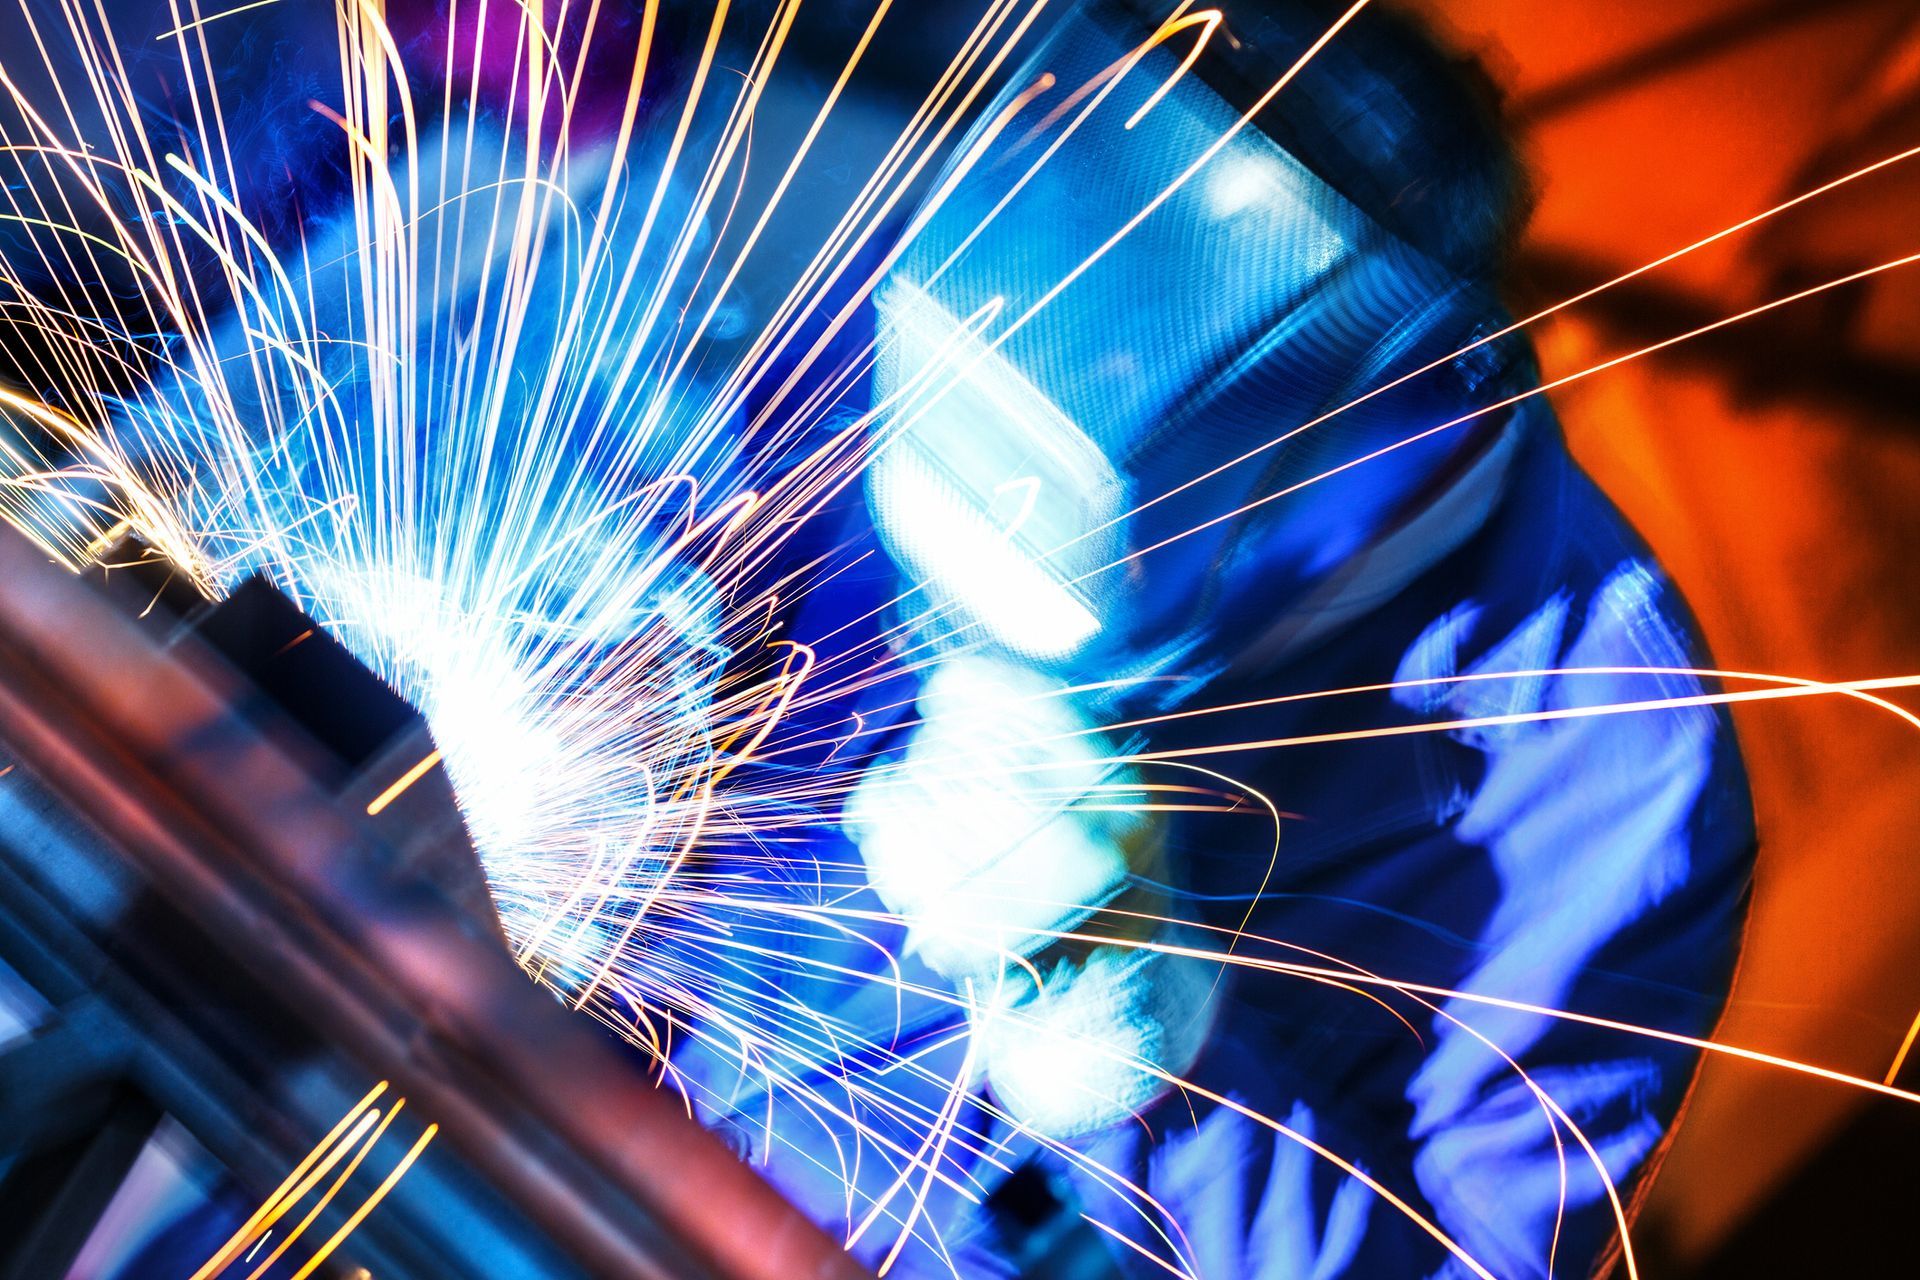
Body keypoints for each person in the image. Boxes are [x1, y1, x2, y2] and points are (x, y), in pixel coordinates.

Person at [800, 1, 1758, 1275]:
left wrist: (1151, 1051)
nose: (1099, 371)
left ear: (1402, 392)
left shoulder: (1614, 768)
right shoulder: (973, 287)